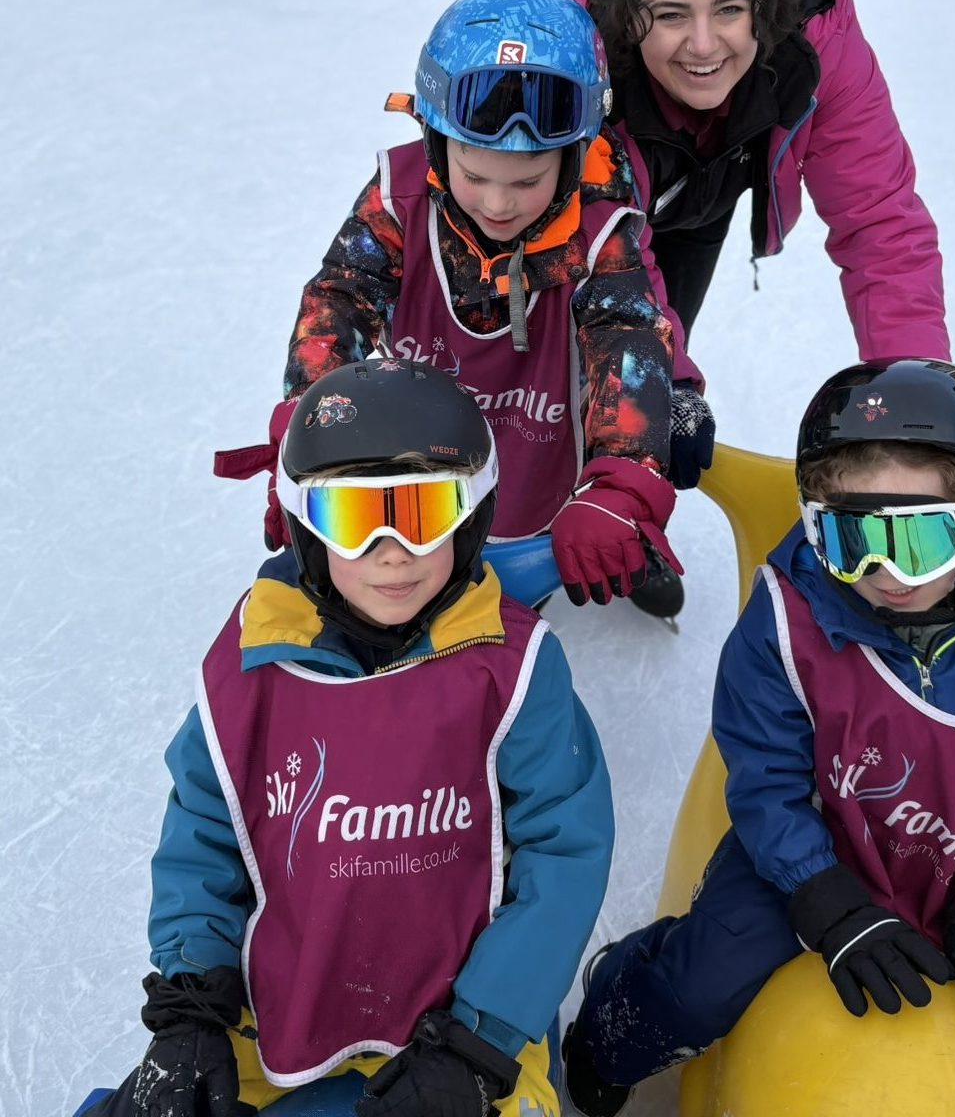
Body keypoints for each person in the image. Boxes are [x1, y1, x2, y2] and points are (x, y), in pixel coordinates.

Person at [562, 358, 955, 1117]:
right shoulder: (784, 630)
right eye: (849, 538)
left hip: (949, 872)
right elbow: (763, 784)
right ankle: (610, 1023)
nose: (884, 573)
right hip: (804, 865)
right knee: (698, 985)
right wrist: (825, 900)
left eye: (918, 541)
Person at [89, 360, 613, 1117]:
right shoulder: (253, 666)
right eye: (353, 519)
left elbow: (564, 850)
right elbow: (207, 831)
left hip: (464, 1014)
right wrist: (191, 999)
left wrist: (482, 1038)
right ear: (306, 525)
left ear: (472, 514)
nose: (392, 551)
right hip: (287, 997)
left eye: (424, 513)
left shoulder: (514, 671)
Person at [216, 0, 706, 620]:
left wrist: (622, 487)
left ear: (575, 155)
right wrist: (311, 440)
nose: (499, 204)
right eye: (475, 177)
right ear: (436, 147)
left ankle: (626, 544)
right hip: (436, 437)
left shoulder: (599, 233)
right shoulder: (398, 203)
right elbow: (340, 301)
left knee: (606, 516)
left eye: (528, 181)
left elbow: (629, 342)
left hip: (548, 429)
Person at [574, 0, 950, 359]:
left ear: (765, 2)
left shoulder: (819, 47)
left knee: (664, 373)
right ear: (628, 16)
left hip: (706, 188)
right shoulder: (582, 67)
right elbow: (611, 273)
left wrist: (913, 387)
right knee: (598, 376)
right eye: (670, 15)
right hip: (600, 212)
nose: (703, 44)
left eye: (729, 10)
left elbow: (881, 224)